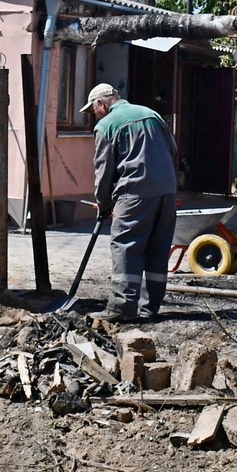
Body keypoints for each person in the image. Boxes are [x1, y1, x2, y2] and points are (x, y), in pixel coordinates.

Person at [83, 83, 178, 322]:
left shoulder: (106, 125)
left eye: (94, 111)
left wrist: (103, 203)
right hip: (167, 191)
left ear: (102, 104)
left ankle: (122, 308)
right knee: (158, 247)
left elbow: (103, 170)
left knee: (127, 246)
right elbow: (172, 148)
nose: (95, 116)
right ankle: (150, 307)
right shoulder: (151, 114)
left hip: (135, 193)